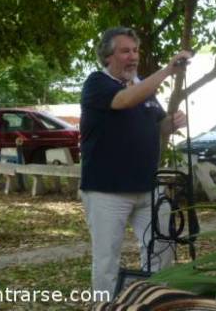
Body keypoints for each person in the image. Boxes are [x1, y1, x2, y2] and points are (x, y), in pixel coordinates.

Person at [80, 26, 192, 300]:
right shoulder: (98, 83)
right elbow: (123, 101)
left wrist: (173, 122)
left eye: (136, 50)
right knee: (107, 260)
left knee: (162, 248)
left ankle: (153, 303)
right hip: (107, 189)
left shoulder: (142, 87)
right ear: (108, 56)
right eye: (125, 51)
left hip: (147, 185)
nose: (133, 57)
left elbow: (159, 126)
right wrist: (168, 70)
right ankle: (104, 307)